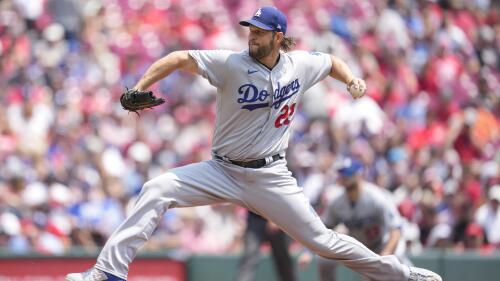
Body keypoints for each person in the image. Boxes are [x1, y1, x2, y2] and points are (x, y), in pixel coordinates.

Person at [66, 6, 442, 281]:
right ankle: (108, 273)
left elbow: (329, 61)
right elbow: (180, 57)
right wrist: (140, 87)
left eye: (260, 32)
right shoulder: (231, 63)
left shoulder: (298, 65)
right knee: (158, 188)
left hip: (270, 176)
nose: (252, 36)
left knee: (323, 242)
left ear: (278, 36)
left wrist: (352, 79)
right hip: (221, 169)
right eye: (250, 30)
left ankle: (400, 275)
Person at [298, 157, 413, 281]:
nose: (344, 177)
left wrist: (385, 256)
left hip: (385, 246)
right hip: (360, 249)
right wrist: (308, 252)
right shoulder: (337, 203)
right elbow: (322, 229)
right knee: (324, 260)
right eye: (342, 173)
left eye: (348, 173)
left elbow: (396, 229)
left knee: (408, 276)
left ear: (359, 175)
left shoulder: (376, 197)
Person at [234, 211, 296, 281]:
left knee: (283, 259)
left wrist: (275, 218)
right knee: (249, 256)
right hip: (255, 218)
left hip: (276, 218)